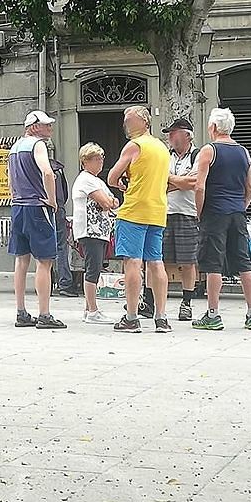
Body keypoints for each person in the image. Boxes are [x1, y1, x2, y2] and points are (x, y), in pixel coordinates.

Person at [193, 108, 251, 330]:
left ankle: (213, 314)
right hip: (237, 213)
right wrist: (240, 207)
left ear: (213, 127)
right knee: (243, 262)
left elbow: (200, 186)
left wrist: (200, 212)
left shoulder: (209, 151)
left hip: (214, 212)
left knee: (214, 264)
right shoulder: (244, 152)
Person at [107, 105, 171, 334]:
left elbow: (112, 176)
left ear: (144, 122)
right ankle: (161, 318)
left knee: (133, 263)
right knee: (156, 262)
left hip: (134, 211)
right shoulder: (162, 148)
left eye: (129, 119)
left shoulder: (135, 145)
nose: (125, 123)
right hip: (157, 210)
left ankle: (132, 317)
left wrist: (121, 184)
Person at [8, 110, 66, 329]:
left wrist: (15, 197)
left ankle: (21, 312)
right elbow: (48, 173)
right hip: (37, 207)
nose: (50, 128)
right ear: (34, 127)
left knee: (21, 261)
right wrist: (52, 200)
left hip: (19, 207)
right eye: (46, 125)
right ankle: (44, 314)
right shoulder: (37, 145)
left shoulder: (14, 148)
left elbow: (10, 179)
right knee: (44, 261)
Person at [71, 143, 119, 323]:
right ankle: (92, 310)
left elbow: (113, 200)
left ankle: (88, 308)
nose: (101, 162)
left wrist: (109, 200)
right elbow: (107, 203)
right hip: (91, 230)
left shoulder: (97, 181)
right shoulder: (86, 179)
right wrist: (108, 201)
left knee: (96, 268)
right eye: (96, 159)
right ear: (85, 161)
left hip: (100, 230)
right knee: (93, 269)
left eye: (102, 158)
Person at [163, 118, 200, 321]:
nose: (169, 136)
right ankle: (150, 300)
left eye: (173, 132)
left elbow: (194, 182)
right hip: (164, 212)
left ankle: (187, 302)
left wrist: (169, 179)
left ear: (186, 134)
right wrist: (181, 181)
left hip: (187, 212)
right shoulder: (164, 156)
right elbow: (158, 182)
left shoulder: (197, 155)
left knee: (188, 262)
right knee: (157, 260)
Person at [51, 153, 78, 297]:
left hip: (41, 208)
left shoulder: (35, 168)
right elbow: (65, 193)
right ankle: (65, 284)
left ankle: (46, 284)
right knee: (61, 247)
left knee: (42, 249)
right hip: (58, 209)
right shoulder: (58, 169)